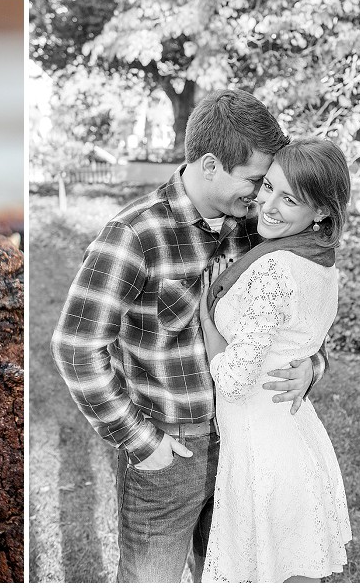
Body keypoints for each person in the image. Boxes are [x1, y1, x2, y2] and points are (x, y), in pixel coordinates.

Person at [50, 88, 328, 583]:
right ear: (209, 165)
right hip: (171, 453)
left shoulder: (256, 230)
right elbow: (76, 347)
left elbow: (296, 312)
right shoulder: (135, 234)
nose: (263, 194)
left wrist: (313, 363)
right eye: (255, 181)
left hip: (245, 445)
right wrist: (140, 440)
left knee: (230, 575)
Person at [199, 138, 352, 583]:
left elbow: (232, 380)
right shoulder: (323, 265)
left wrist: (210, 328)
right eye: (268, 186)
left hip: (262, 457)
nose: (267, 204)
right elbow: (301, 335)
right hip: (294, 440)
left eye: (289, 199)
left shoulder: (274, 268)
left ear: (321, 212)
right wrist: (313, 364)